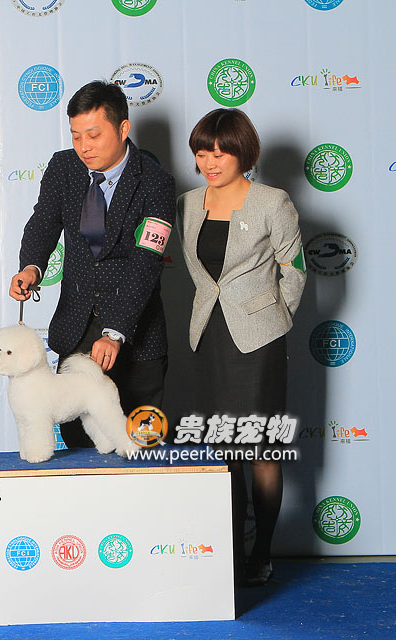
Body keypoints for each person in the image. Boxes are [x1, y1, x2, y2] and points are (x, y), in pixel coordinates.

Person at [176, 108, 306, 586]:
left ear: (243, 153)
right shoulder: (187, 203)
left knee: (262, 448)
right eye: (202, 152)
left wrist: (274, 317)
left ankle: (261, 554)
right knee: (221, 449)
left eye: (220, 152)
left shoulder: (272, 201)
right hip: (209, 335)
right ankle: (229, 554)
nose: (210, 162)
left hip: (258, 341)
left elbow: (295, 269)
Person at [10, 80, 175, 448]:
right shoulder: (63, 167)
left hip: (137, 336)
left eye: (94, 135)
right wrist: (31, 267)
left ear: (123, 129)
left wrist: (115, 331)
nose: (84, 146)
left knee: (139, 445)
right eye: (76, 136)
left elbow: (147, 260)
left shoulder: (156, 183)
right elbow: (44, 222)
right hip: (77, 330)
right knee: (80, 448)